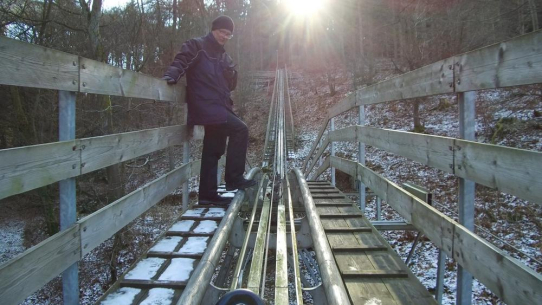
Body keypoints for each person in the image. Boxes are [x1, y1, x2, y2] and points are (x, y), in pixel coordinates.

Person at [163, 15, 256, 205]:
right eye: (222, 32)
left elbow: (229, 85)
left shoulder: (223, 56)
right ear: (214, 29)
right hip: (206, 104)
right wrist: (171, 76)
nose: (224, 36)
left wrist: (232, 75)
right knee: (241, 129)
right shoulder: (197, 46)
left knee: (214, 149)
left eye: (228, 34)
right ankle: (233, 178)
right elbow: (182, 61)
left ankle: (207, 196)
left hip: (220, 106)